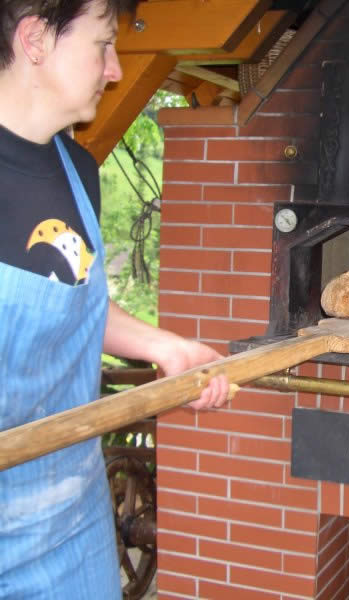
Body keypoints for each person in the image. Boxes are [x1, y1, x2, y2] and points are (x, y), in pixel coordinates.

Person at [0, 1, 231, 597]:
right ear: (34, 39)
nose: (116, 71)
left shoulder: (77, 168)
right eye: (102, 45)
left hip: (72, 523)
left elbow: (76, 302)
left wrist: (167, 346)